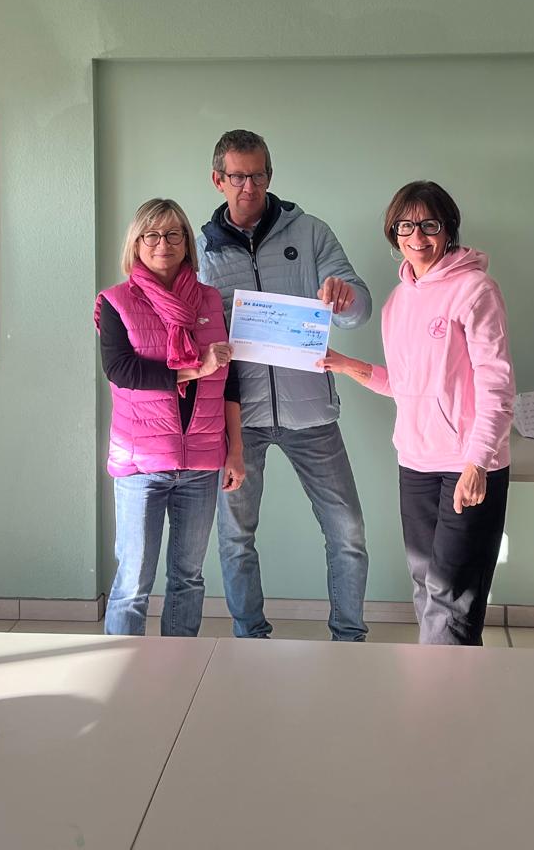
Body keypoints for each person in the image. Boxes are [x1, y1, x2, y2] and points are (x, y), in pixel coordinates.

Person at [322, 181, 514, 646]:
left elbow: (497, 385)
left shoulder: (475, 290)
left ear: (448, 229)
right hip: (415, 462)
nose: (417, 236)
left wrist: (478, 463)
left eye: (429, 224)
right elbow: (407, 387)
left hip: (467, 463)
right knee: (426, 584)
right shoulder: (397, 301)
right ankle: (436, 680)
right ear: (394, 233)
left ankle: (445, 687)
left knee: (453, 593)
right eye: (405, 226)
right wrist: (346, 365)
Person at [198, 129, 372, 641]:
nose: (248, 187)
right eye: (237, 177)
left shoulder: (311, 232)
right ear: (218, 180)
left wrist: (345, 298)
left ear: (270, 176)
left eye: (257, 175)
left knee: (348, 531)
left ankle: (349, 638)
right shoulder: (202, 249)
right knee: (235, 537)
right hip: (238, 419)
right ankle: (250, 638)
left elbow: (359, 308)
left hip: (311, 412)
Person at [97, 198, 245, 636]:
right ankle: (122, 667)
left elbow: (230, 381)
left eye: (173, 234)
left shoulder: (210, 300)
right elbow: (121, 370)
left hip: (202, 461)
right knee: (133, 583)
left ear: (186, 244)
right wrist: (196, 367)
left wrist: (235, 451)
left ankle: (179, 666)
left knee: (188, 579)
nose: (163, 243)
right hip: (142, 463)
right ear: (136, 243)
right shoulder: (116, 302)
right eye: (152, 235)